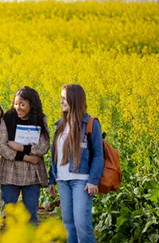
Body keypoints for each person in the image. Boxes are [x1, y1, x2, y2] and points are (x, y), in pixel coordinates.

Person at [48, 84, 104, 243]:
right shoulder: (60, 124)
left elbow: (98, 154)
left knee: (82, 224)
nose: (61, 102)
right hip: (63, 179)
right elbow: (55, 154)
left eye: (64, 98)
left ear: (75, 99)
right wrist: (52, 179)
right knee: (68, 224)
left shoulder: (90, 123)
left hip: (82, 180)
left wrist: (93, 180)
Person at [0, 86, 50, 225]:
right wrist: (26, 157)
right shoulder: (7, 117)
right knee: (7, 215)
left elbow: (44, 146)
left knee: (31, 216)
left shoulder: (39, 119)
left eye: (22, 104)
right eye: (16, 103)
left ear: (31, 104)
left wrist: (20, 147)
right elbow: (1, 145)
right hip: (10, 171)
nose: (18, 107)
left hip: (32, 173)